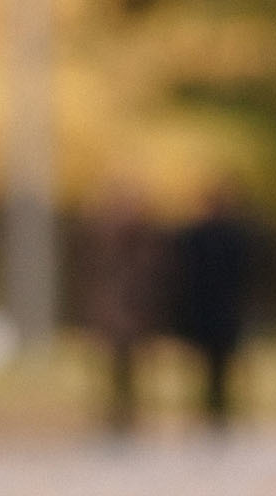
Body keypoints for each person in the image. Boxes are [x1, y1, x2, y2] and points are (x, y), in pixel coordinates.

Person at [170, 181, 259, 431]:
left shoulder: (234, 237)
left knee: (222, 365)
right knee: (204, 365)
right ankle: (208, 412)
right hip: (205, 309)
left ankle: (219, 412)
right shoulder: (194, 237)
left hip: (221, 309)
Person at [78, 182, 164, 436]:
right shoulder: (102, 237)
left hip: (134, 310)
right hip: (114, 311)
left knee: (134, 366)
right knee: (111, 366)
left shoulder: (145, 238)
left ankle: (130, 414)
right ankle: (114, 414)